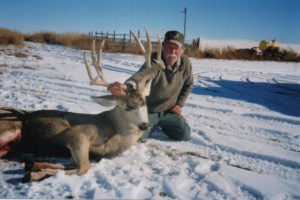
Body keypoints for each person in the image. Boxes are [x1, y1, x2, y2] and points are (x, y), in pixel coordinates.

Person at [108, 30, 193, 141]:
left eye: (176, 48)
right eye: (169, 47)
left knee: (184, 135)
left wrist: (179, 104)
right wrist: (127, 86)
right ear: (163, 47)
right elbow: (141, 75)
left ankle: (160, 125)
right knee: (137, 138)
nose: (172, 51)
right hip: (150, 110)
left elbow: (188, 84)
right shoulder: (154, 60)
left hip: (169, 111)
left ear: (181, 50)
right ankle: (145, 123)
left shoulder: (185, 63)